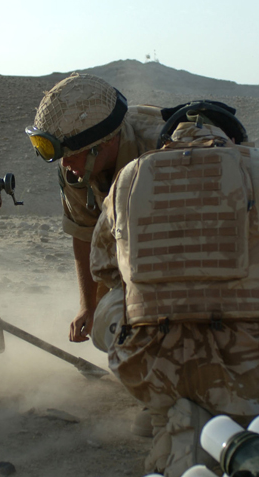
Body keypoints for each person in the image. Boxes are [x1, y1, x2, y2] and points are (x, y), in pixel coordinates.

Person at [89, 101, 259, 477]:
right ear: (235, 140)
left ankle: (171, 415)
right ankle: (218, 420)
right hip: (245, 372)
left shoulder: (126, 180)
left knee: (119, 302)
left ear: (165, 143)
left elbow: (105, 267)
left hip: (147, 371)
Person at [25, 73, 166, 344]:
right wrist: (87, 306)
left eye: (70, 155)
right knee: (107, 322)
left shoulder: (161, 149)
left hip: (197, 248)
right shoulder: (75, 167)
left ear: (103, 144)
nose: (65, 164)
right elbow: (83, 234)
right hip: (136, 246)